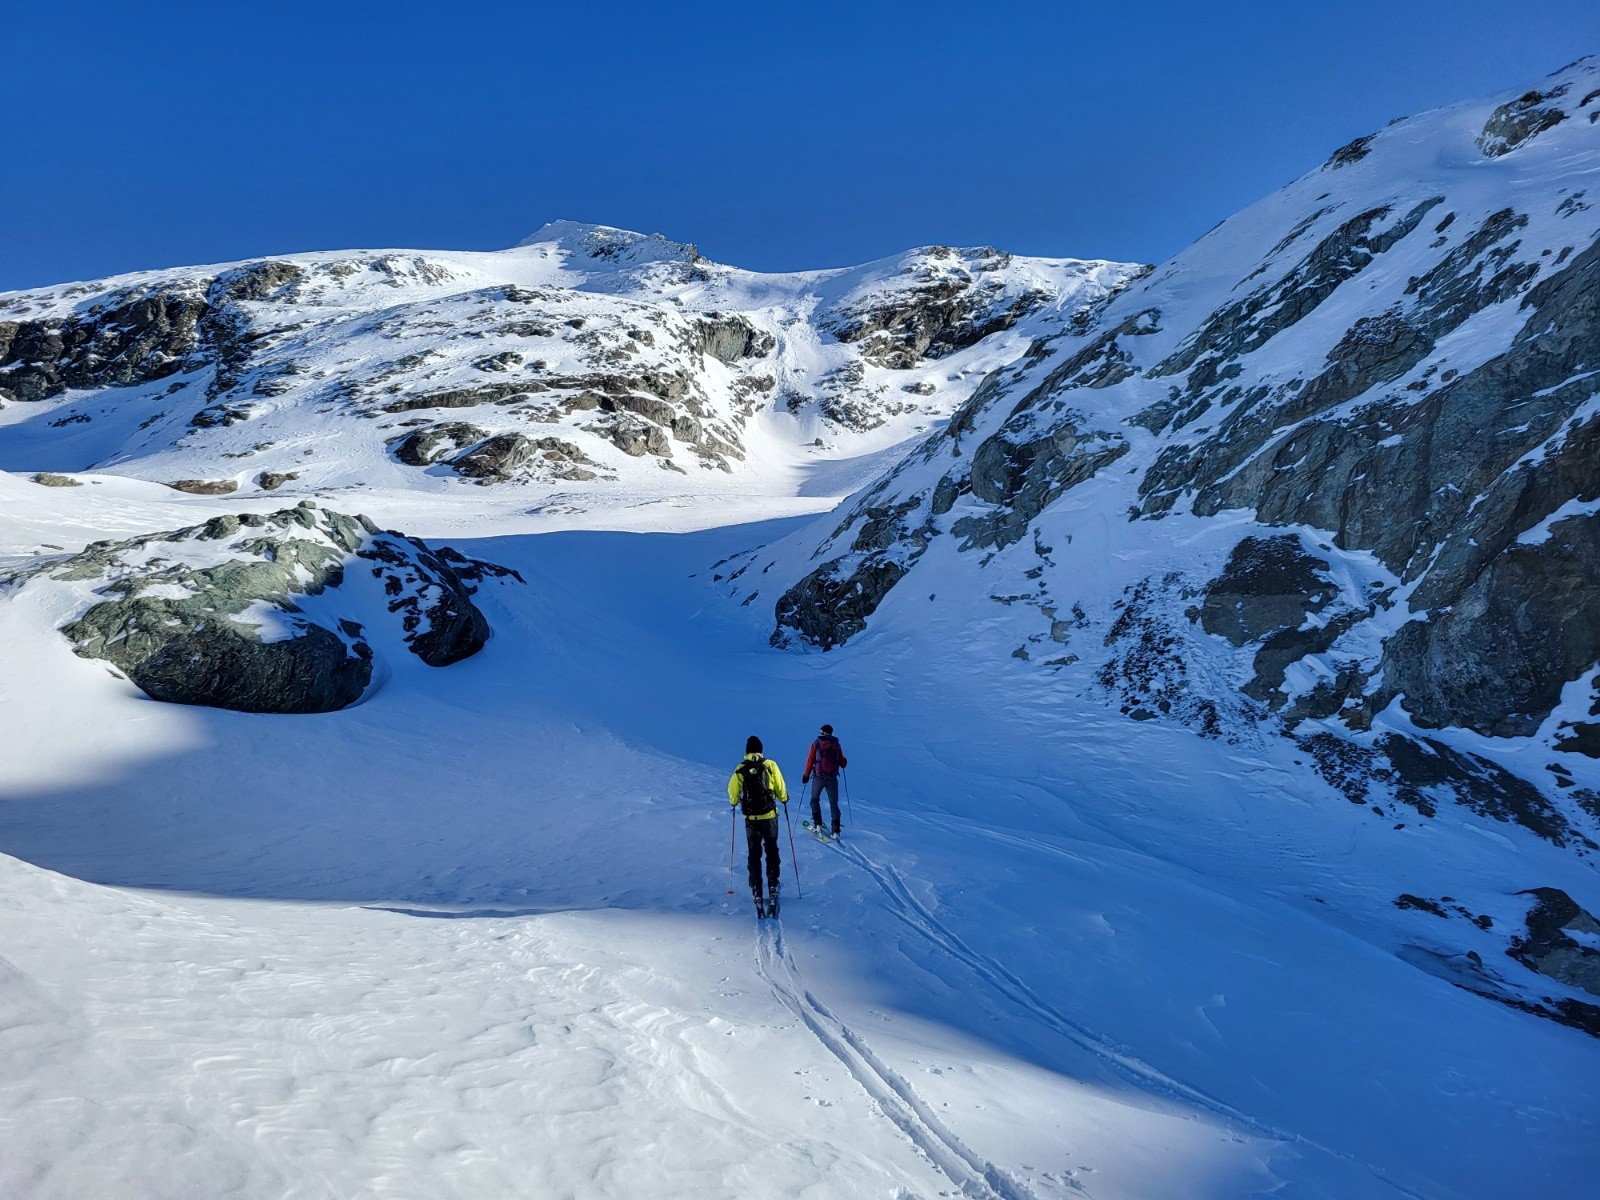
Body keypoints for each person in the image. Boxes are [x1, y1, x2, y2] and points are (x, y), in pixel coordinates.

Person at [727, 735, 789, 916]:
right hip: (769, 816)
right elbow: (780, 786)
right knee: (771, 849)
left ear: (747, 751)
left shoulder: (741, 768)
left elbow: (732, 791)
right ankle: (772, 884)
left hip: (751, 819)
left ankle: (756, 888)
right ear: (761, 750)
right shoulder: (770, 765)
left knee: (754, 853)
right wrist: (783, 799)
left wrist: (734, 801)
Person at [801, 723, 848, 839]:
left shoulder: (816, 744)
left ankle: (817, 824)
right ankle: (835, 830)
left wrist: (806, 775)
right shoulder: (836, 745)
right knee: (834, 804)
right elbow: (843, 763)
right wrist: (844, 760)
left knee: (814, 799)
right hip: (832, 778)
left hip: (818, 777)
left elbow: (810, 760)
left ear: (821, 732)